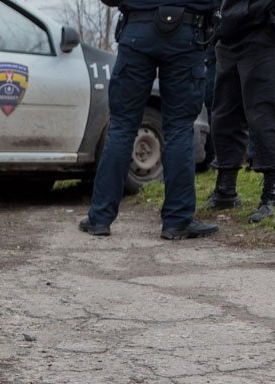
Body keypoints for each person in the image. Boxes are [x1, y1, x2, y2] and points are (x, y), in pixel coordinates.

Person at [79, 0, 219, 239]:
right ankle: (177, 221)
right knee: (179, 127)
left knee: (122, 126)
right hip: (187, 33)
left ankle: (100, 218)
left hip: (137, 30)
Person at [201, 0, 275, 221]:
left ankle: (272, 197)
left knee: (265, 115)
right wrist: (218, 26)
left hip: (265, 38)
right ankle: (225, 190)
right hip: (229, 38)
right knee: (224, 116)